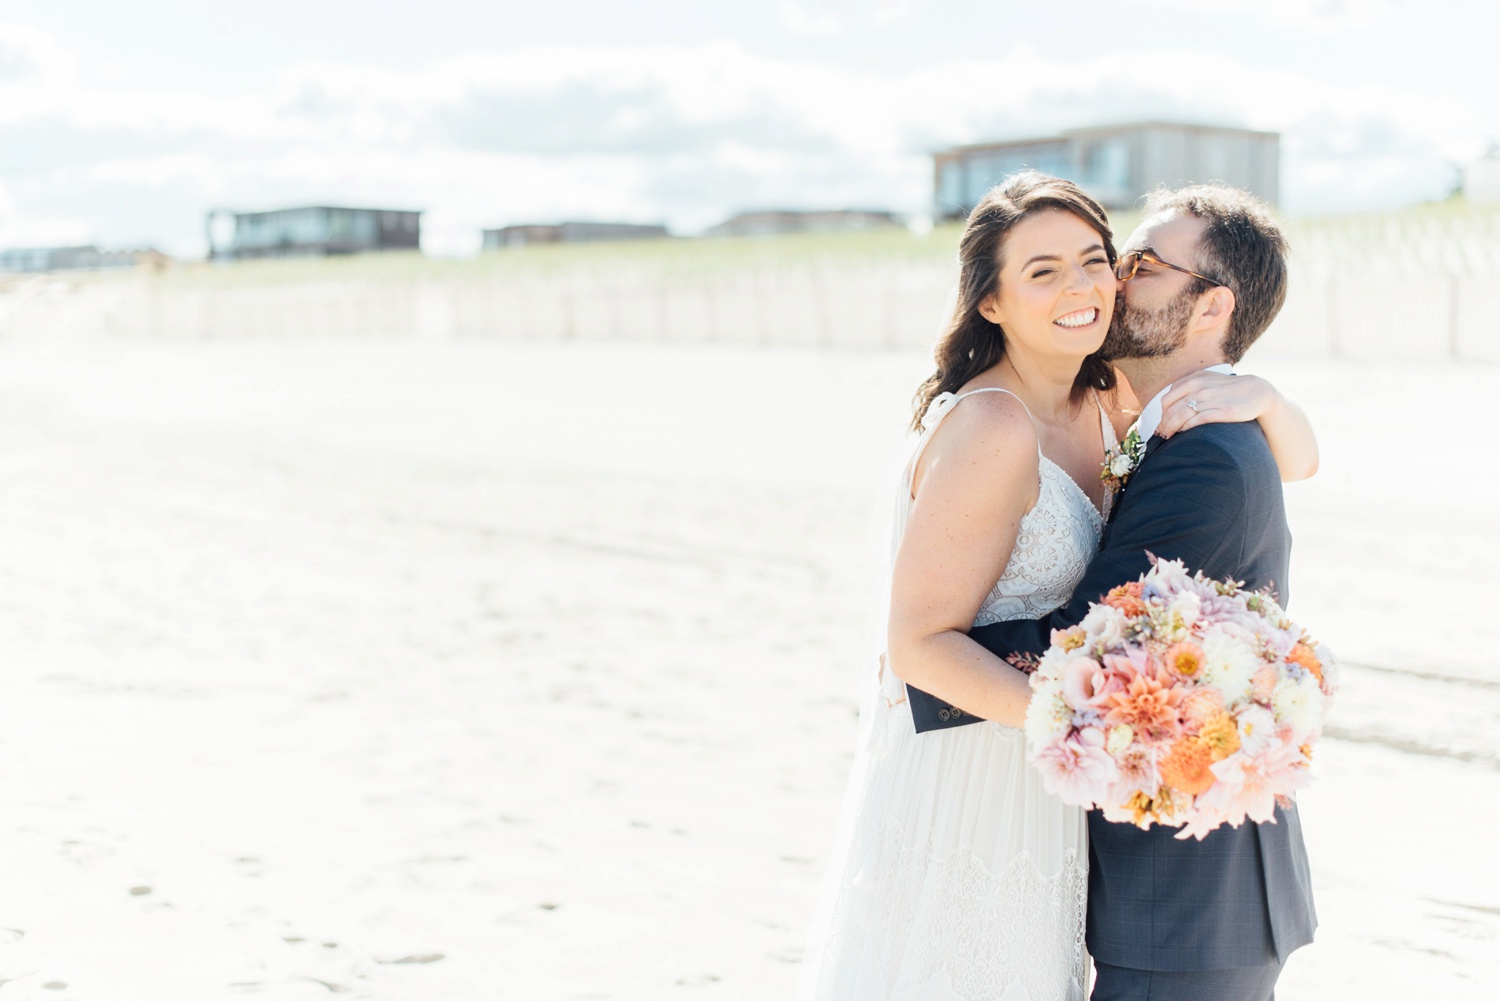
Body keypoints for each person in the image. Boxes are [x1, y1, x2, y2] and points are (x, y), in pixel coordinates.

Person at [799, 172, 1317, 1001]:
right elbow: (918, 645)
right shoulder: (997, 424)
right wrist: (1099, 720)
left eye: (1101, 260)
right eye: (1043, 271)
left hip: (1059, 783)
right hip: (981, 772)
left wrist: (1271, 400)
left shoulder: (1102, 400)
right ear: (991, 302)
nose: (1088, 286)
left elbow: (1283, 465)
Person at [961, 184, 1317, 1001]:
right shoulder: (1169, 427)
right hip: (1196, 891)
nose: (1115, 281)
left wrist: (926, 651)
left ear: (1209, 307)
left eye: (1144, 266)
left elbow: (1090, 645)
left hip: (1188, 896)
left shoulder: (1204, 455)